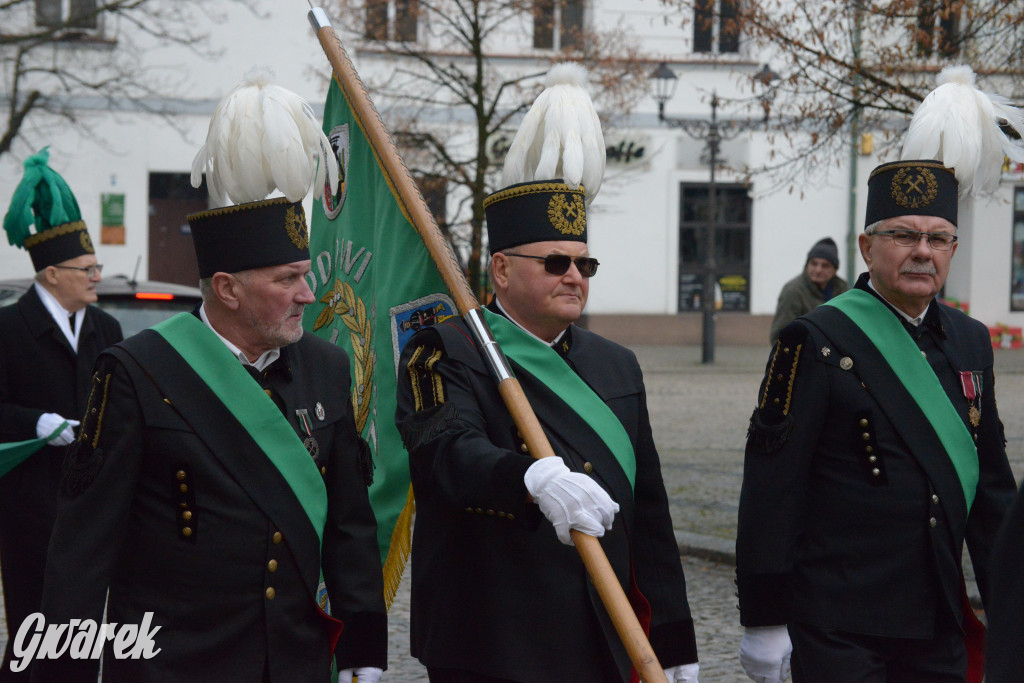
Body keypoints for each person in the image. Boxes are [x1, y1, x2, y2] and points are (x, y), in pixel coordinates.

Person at [34, 78, 387, 681]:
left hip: (294, 661)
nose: (309, 294)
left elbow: (350, 525)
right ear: (227, 288)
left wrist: (363, 650)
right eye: (286, 280)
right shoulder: (138, 372)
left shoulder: (327, 366)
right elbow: (83, 549)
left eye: (305, 274)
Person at [394, 64, 699, 683]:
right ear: (501, 269)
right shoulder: (441, 350)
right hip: (492, 638)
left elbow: (651, 517)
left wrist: (675, 640)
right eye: (556, 261)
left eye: (585, 263)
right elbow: (446, 454)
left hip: (602, 636)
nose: (575, 276)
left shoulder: (617, 363)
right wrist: (529, 477)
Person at [736, 157, 1017, 682]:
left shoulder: (971, 341)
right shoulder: (815, 339)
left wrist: (1012, 606)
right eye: (904, 235)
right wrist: (764, 617)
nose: (922, 252)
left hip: (937, 617)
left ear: (953, 250)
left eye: (938, 239)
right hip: (838, 623)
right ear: (867, 248)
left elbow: (993, 491)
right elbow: (773, 487)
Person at [0, 148, 123, 679]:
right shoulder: (7, 329)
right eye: (87, 269)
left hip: (91, 511)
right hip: (29, 510)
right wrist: (36, 423)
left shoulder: (107, 330)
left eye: (97, 266)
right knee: (35, 630)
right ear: (51, 273)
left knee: (84, 633)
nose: (97, 276)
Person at [768, 237, 849, 343]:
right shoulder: (793, 291)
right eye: (814, 264)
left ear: (834, 270)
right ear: (807, 265)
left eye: (825, 265)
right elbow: (780, 336)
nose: (818, 270)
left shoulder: (843, 291)